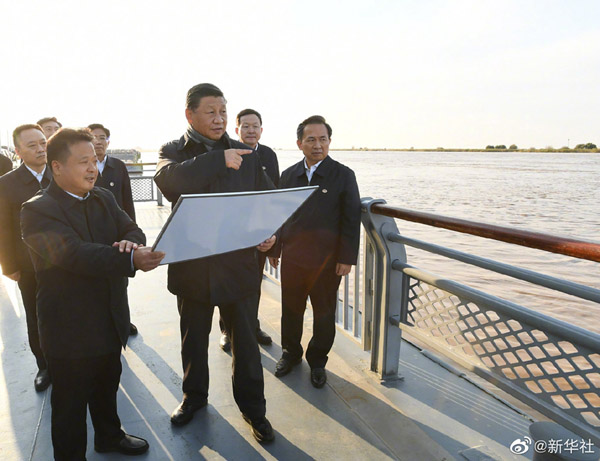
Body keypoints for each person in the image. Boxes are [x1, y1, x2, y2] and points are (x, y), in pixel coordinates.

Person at [21, 128, 164, 460]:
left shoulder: (103, 198)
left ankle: (109, 437)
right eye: (83, 161)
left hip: (109, 316)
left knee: (107, 384)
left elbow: (132, 228)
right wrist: (129, 259)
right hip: (69, 326)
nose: (92, 168)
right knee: (69, 404)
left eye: (95, 160)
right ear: (57, 167)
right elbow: (71, 254)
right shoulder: (38, 210)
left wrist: (131, 242)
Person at [154, 83, 276, 443]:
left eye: (223, 111)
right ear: (190, 114)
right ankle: (193, 398)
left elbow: (268, 200)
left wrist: (270, 234)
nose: (220, 118)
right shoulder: (173, 151)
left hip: (238, 265)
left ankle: (254, 410)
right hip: (193, 264)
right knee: (193, 340)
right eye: (211, 112)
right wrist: (218, 159)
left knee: (246, 346)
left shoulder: (245, 152)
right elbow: (168, 182)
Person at [269, 115, 361, 389]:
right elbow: (279, 216)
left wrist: (346, 257)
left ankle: (318, 361)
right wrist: (275, 248)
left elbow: (351, 219)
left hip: (327, 261)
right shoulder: (289, 175)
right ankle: (291, 353)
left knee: (324, 312)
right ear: (300, 143)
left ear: (330, 141)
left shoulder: (343, 175)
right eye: (311, 139)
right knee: (291, 309)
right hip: (294, 257)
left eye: (323, 139)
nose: (317, 145)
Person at [219, 108, 279, 352]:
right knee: (227, 283)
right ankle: (226, 330)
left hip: (260, 232)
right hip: (232, 233)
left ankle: (252, 326)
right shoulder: (228, 153)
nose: (251, 130)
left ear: (261, 130)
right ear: (237, 130)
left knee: (254, 283)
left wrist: (273, 238)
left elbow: (274, 196)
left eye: (255, 126)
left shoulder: (268, 155)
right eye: (245, 126)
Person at [0, 124, 52, 391]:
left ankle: (72, 361)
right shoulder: (7, 184)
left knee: (71, 313)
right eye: (32, 145)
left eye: (43, 143)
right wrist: (9, 266)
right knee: (36, 316)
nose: (41, 149)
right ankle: (45, 366)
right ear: (18, 151)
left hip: (66, 261)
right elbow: (3, 228)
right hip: (29, 265)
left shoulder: (61, 174)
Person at [88, 123, 138, 335]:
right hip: (90, 232)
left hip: (116, 232)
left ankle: (123, 321)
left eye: (102, 138)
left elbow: (127, 200)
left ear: (108, 142)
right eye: (93, 137)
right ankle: (100, 322)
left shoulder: (118, 166)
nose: (98, 142)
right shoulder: (83, 166)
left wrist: (132, 231)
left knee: (120, 280)